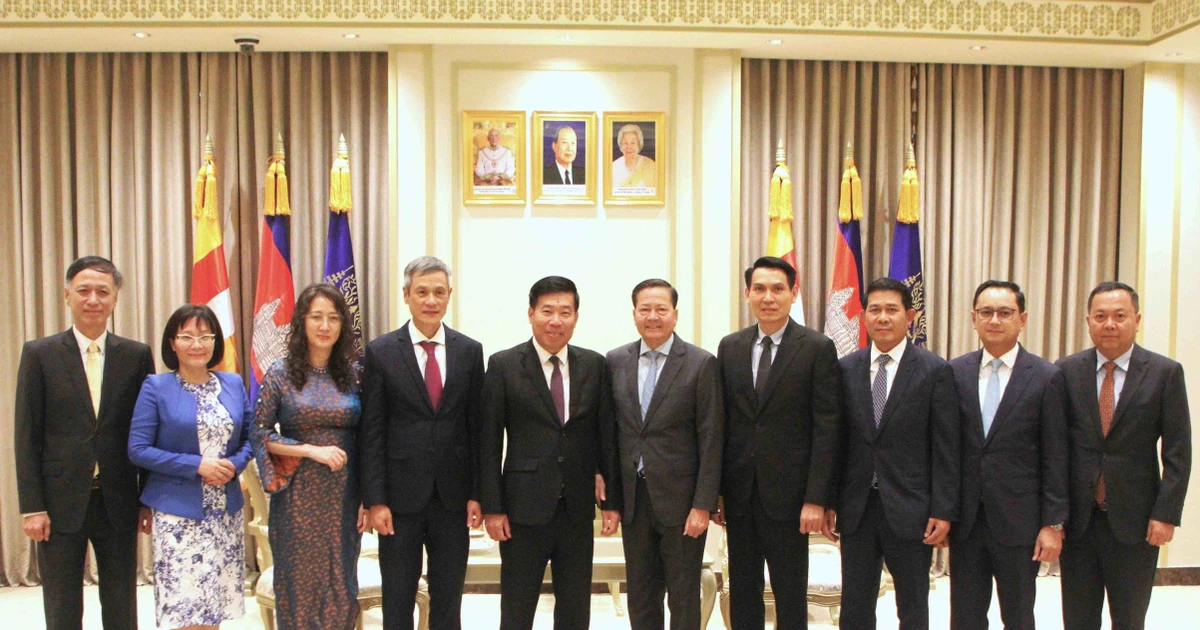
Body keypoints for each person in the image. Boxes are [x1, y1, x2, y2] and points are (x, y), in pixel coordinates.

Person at [15, 255, 155, 630]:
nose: (93, 299)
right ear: (67, 296)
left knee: (122, 602)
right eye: (84, 290)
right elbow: (26, 435)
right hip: (58, 503)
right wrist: (32, 507)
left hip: (119, 499)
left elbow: (145, 432)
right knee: (61, 604)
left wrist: (146, 498)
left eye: (102, 291)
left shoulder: (136, 355)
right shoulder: (39, 354)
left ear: (115, 299)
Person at [480, 276, 621, 630]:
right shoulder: (504, 365)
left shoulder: (594, 365)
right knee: (517, 606)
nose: (556, 320)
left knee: (575, 608)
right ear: (531, 314)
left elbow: (605, 435)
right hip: (522, 508)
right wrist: (492, 507)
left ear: (576, 317)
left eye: (565, 312)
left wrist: (611, 501)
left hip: (575, 507)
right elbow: (489, 441)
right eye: (547, 311)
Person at [824, 278, 959, 630]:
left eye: (891, 310)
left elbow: (945, 447)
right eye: (875, 310)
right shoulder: (846, 369)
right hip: (857, 509)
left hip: (912, 508)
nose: (883, 317)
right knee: (855, 607)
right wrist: (828, 501)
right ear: (864, 316)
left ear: (910, 316)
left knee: (913, 607)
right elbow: (835, 443)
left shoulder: (935, 371)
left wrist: (943, 509)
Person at [714, 256, 840, 630]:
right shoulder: (730, 347)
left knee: (788, 592)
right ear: (748, 293)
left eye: (778, 288)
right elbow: (723, 424)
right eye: (759, 289)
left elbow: (827, 427)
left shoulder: (817, 347)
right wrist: (718, 492)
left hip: (792, 497)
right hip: (740, 495)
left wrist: (816, 497)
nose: (768, 297)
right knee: (744, 590)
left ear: (793, 292)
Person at [360, 256, 485, 630]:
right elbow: (372, 431)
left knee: (449, 600)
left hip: (453, 498)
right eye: (422, 292)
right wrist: (376, 499)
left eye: (439, 292)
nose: (431, 300)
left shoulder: (469, 351)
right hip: (399, 501)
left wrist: (478, 494)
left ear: (449, 296)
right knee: (397, 601)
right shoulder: (381, 352)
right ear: (406, 296)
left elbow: (477, 430)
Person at [1058, 282, 1192, 630]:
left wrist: (1166, 514)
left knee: (1130, 620)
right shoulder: (1065, 372)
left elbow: (1178, 451)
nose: (1110, 324)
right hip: (1079, 523)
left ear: (1137, 319)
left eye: (1120, 316)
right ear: (1088, 321)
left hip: (1137, 523)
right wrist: (1054, 516)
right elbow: (1054, 449)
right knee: (1078, 619)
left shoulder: (1164, 373)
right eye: (1100, 316)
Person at [947, 281, 1068, 630]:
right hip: (967, 521)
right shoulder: (954, 373)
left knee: (1017, 615)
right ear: (974, 319)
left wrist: (1052, 523)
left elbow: (1056, 455)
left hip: (1021, 523)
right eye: (987, 313)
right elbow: (946, 450)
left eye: (1005, 313)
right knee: (965, 617)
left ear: (1022, 319)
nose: (995, 320)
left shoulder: (1046, 378)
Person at [605, 279, 722, 630]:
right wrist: (611, 498)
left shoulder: (701, 364)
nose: (652, 317)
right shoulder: (615, 361)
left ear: (675, 314)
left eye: (661, 309)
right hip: (633, 499)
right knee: (640, 594)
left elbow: (711, 437)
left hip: (683, 503)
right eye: (645, 309)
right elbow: (610, 436)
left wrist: (703, 504)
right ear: (634, 314)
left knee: (683, 595)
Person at [128, 304, 252, 629]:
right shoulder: (156, 387)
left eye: (205, 336)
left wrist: (232, 465)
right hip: (178, 515)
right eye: (187, 336)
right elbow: (138, 449)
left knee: (214, 607)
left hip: (225, 513)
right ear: (173, 342)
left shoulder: (233, 383)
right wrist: (197, 466)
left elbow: (252, 437)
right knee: (187, 609)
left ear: (215, 342)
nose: (197, 344)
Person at [252, 284, 368, 630]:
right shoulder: (280, 373)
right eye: (316, 316)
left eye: (333, 318)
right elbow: (258, 432)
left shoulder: (354, 376)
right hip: (297, 495)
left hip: (343, 498)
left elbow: (366, 439)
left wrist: (367, 496)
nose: (325, 325)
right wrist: (308, 450)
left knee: (339, 583)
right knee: (299, 586)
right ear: (302, 321)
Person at [610, 124, 657, 190]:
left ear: (639, 145)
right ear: (620, 146)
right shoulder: (613, 167)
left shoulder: (650, 165)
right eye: (625, 143)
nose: (629, 147)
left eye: (633, 143)